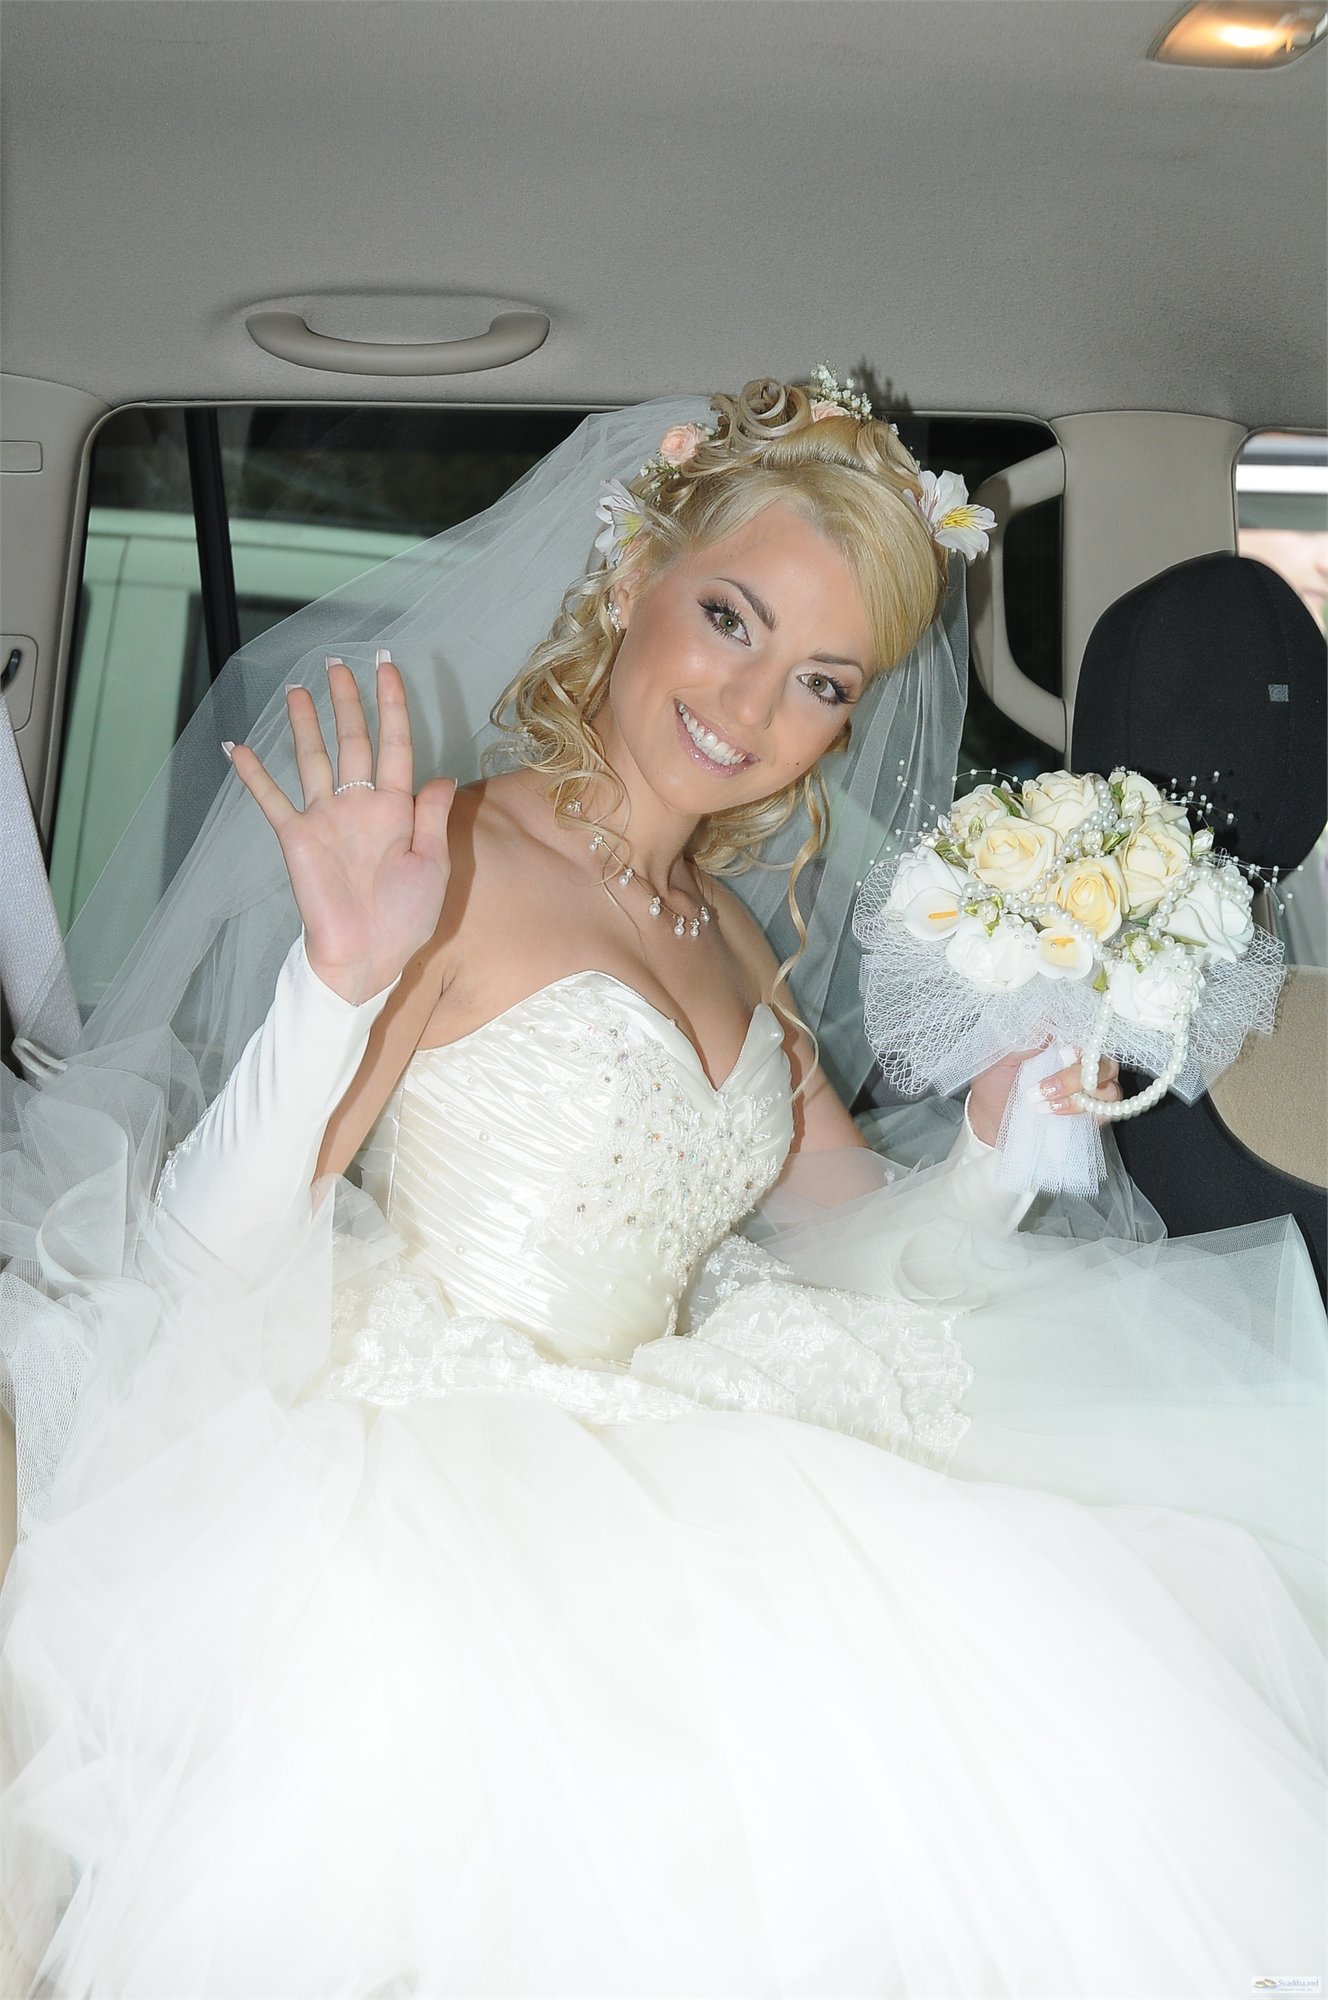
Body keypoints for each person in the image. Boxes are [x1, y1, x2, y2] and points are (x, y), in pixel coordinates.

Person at [1, 376, 1324, 1999]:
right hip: (439, 1494)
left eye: (822, 681)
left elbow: (850, 1245)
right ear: (634, 577)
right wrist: (329, 991)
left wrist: (991, 1147)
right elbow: (204, 1259)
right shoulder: (447, 857)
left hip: (694, 1447)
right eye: (729, 619)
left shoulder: (737, 938)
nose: (754, 706)